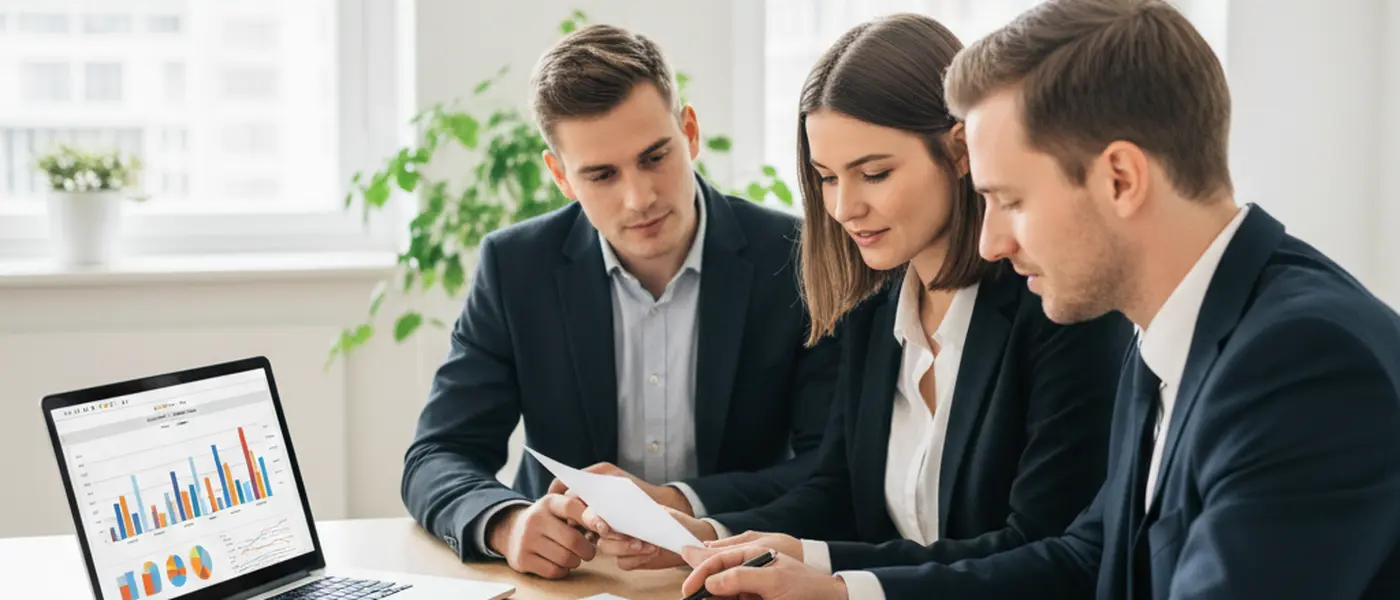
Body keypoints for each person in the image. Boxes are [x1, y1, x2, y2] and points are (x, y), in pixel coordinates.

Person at [682, 0, 1400, 598]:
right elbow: (1085, 557)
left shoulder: (1302, 361)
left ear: (1120, 178)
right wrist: (840, 588)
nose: (989, 241)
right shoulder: (1176, 334)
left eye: (1009, 200)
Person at [584, 12, 1133, 583]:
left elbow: (1043, 549)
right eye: (826, 177)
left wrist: (840, 585)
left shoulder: (1058, 307)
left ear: (960, 151)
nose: (844, 208)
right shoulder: (873, 305)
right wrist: (713, 537)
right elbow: (839, 489)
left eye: (873, 174)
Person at [401, 23, 841, 580]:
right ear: (560, 175)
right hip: (570, 581)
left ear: (690, 133)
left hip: (732, 571)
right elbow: (436, 456)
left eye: (655, 157)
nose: (640, 198)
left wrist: (679, 501)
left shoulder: (797, 260)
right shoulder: (515, 268)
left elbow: (829, 465)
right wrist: (506, 523)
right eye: (602, 174)